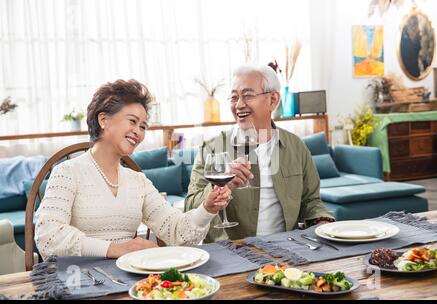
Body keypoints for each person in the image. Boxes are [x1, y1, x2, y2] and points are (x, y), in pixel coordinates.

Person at [35, 79, 230, 260]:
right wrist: (116, 249)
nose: (138, 131)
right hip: (79, 279)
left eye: (143, 126)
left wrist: (207, 209)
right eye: (132, 121)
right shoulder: (67, 172)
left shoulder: (138, 181)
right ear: (103, 120)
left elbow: (177, 232)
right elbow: (48, 236)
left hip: (128, 280)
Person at [185, 65, 334, 243]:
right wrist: (221, 188)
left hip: (288, 251)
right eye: (234, 97)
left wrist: (322, 222)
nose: (239, 105)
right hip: (231, 253)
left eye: (247, 95)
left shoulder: (296, 147)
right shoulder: (211, 149)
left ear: (273, 100)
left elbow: (311, 201)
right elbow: (189, 208)